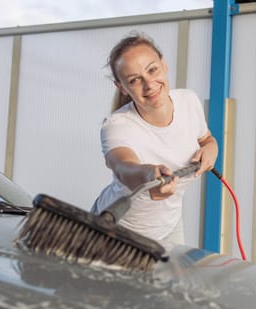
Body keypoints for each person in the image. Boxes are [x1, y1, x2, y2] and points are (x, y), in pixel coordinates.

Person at [91, 32, 218, 245]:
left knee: (174, 279)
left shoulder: (188, 101)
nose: (149, 84)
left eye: (152, 70)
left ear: (164, 65)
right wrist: (149, 174)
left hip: (169, 228)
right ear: (121, 87)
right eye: (134, 80)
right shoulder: (116, 125)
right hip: (117, 232)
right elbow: (123, 167)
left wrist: (211, 150)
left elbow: (206, 139)